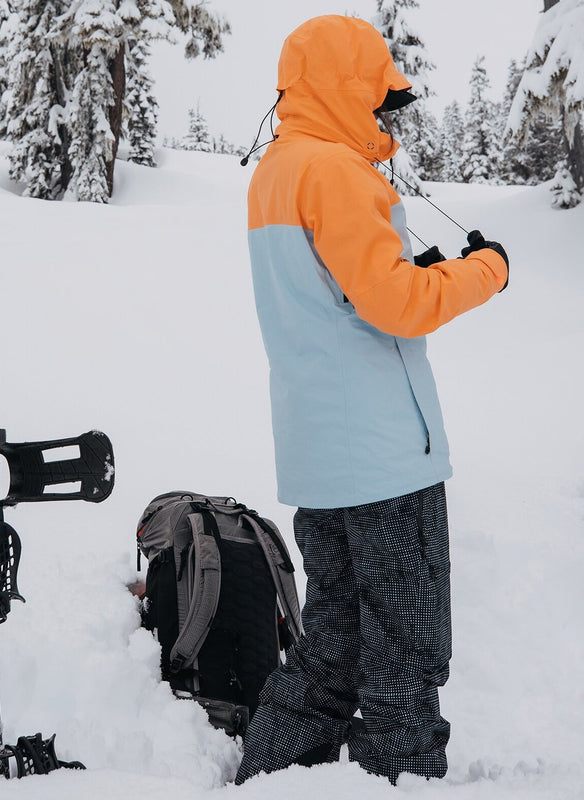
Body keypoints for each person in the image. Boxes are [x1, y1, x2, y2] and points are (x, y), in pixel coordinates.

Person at [235, 15, 509, 786]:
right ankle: (401, 778)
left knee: (335, 642)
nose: (387, 113)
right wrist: (484, 271)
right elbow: (397, 306)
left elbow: (337, 290)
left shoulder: (275, 174)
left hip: (318, 457)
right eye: (380, 96)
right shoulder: (340, 172)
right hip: (386, 458)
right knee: (406, 648)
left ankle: (272, 772)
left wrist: (400, 268)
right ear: (349, 86)